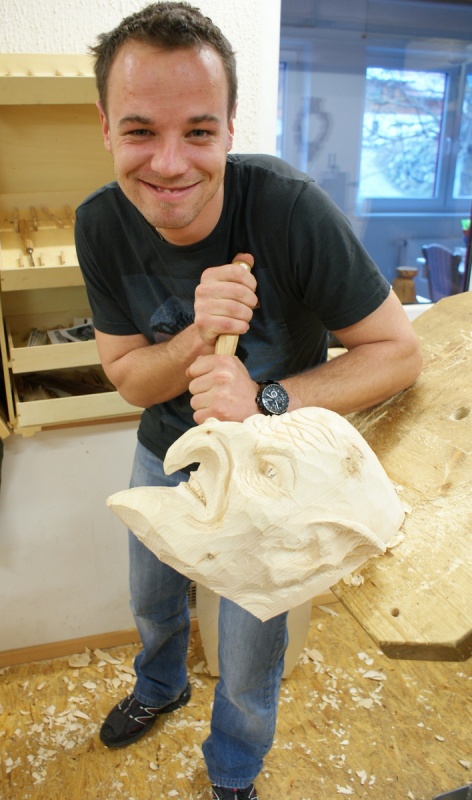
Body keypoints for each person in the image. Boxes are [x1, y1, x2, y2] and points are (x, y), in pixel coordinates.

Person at [75, 3, 423, 798]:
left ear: (231, 127)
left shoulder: (289, 209)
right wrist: (198, 337)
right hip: (166, 450)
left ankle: (233, 772)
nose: (169, 164)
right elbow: (130, 379)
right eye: (140, 131)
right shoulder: (99, 225)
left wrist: (263, 399)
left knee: (248, 651)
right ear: (105, 128)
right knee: (153, 601)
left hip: (272, 471)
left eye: (198, 131)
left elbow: (398, 353)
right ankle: (160, 686)